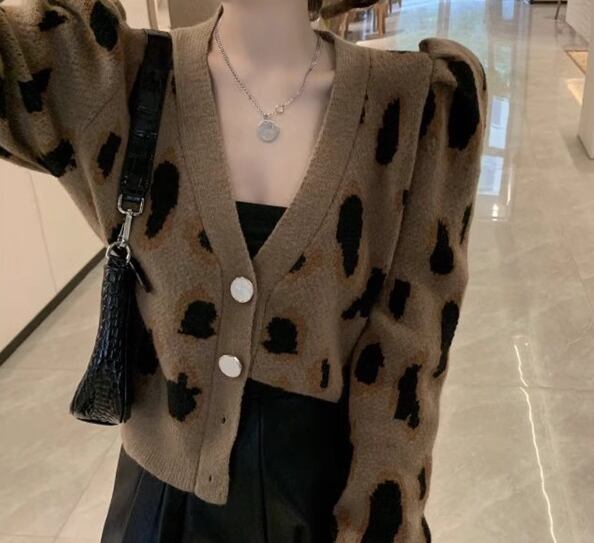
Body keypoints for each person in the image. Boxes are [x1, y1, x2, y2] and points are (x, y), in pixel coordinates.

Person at [0, 0, 488, 541]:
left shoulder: (419, 106)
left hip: (317, 508)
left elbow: (407, 360)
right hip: (158, 511)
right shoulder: (114, 79)